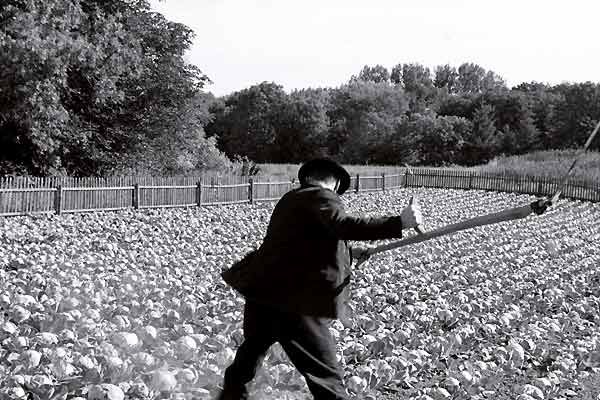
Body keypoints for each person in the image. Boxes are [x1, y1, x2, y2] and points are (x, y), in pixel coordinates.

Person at [217, 158, 423, 400]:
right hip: (295, 301)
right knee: (326, 375)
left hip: (263, 295)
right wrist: (399, 222)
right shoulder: (321, 196)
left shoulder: (291, 200)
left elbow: (302, 244)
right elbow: (343, 225)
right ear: (334, 182)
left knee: (248, 358)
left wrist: (350, 253)